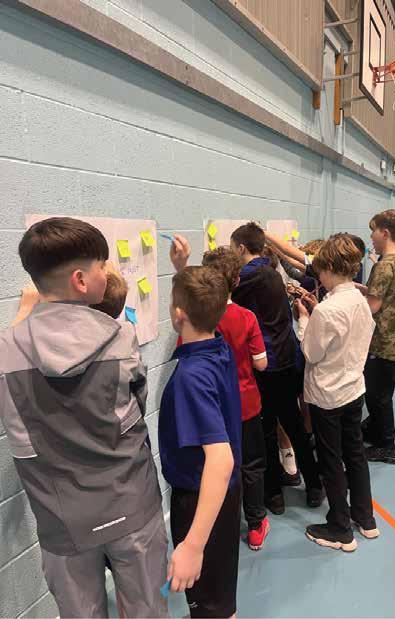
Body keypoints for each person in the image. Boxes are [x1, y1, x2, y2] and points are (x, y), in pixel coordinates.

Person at [0, 217, 167, 619]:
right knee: (147, 611)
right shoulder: (121, 338)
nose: (106, 273)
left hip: (61, 518)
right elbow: (137, 406)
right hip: (130, 502)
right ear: (80, 280)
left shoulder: (7, 350)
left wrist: (23, 316)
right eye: (101, 266)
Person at [158, 265, 242, 618]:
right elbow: (202, 311)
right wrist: (183, 271)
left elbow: (220, 461)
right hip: (224, 495)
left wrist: (193, 545)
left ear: (179, 315)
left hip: (202, 497)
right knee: (219, 600)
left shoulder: (191, 377)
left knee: (210, 607)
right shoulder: (217, 346)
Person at [230, 222, 323, 515]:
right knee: (294, 424)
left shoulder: (248, 276)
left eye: (232, 250)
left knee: (267, 430)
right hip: (288, 360)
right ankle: (314, 485)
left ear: (241, 248)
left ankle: (273, 494)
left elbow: (220, 290)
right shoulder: (271, 272)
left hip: (268, 367)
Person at [295, 234, 378, 552]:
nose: (318, 276)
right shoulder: (359, 299)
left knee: (331, 460)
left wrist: (306, 320)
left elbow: (311, 353)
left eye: (320, 270)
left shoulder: (326, 311)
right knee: (355, 454)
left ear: (329, 268)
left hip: (328, 396)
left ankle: (340, 529)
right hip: (354, 389)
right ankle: (365, 518)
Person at [201, 247, 270, 551]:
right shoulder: (246, 317)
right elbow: (261, 363)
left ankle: (221, 524)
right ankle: (255, 525)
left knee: (218, 468)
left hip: (213, 408)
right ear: (237, 280)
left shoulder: (200, 318)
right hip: (245, 404)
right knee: (251, 465)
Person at [358, 210, 395, 465]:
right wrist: (362, 289)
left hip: (383, 341)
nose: (372, 237)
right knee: (383, 392)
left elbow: (373, 306)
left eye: (374, 231)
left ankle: (387, 446)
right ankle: (377, 432)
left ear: (385, 233)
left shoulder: (384, 265)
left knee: (377, 396)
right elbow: (385, 295)